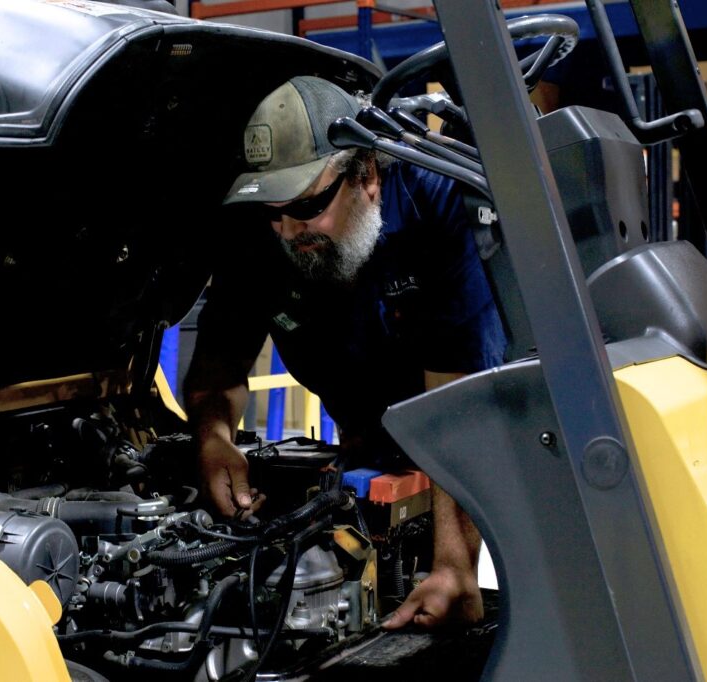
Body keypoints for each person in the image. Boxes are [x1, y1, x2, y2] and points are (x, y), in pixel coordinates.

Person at [182, 75, 506, 630]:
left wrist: (455, 564)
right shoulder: (261, 237)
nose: (288, 230)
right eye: (273, 212)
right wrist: (214, 441)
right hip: (369, 458)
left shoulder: (436, 203)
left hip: (481, 464)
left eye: (307, 206)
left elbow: (459, 403)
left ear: (369, 177)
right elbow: (216, 373)